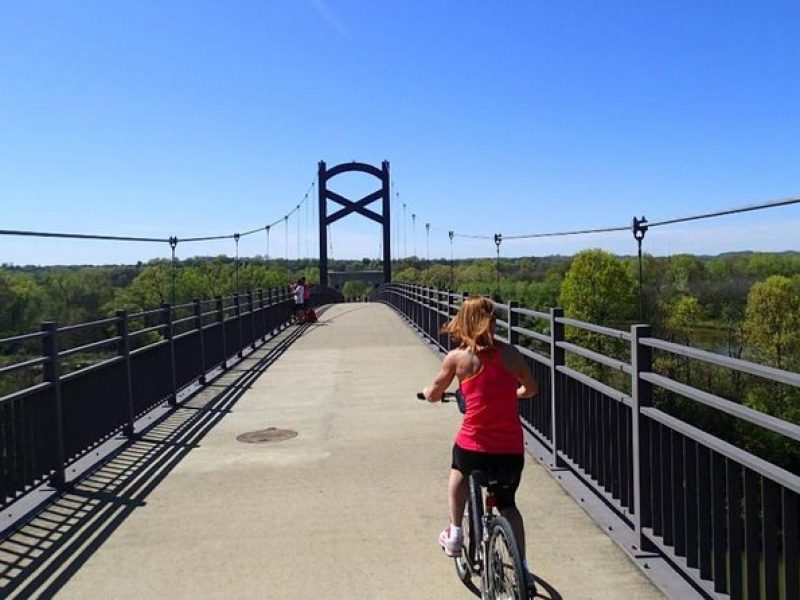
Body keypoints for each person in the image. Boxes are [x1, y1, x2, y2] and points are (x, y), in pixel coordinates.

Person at [423, 296, 538, 590]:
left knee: (457, 468)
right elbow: (531, 388)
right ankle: (522, 570)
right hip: (510, 450)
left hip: (474, 449)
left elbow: (435, 392)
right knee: (508, 505)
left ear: (464, 322)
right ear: (492, 323)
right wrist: (514, 393)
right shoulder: (510, 354)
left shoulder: (458, 359)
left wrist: (428, 394)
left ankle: (456, 532)